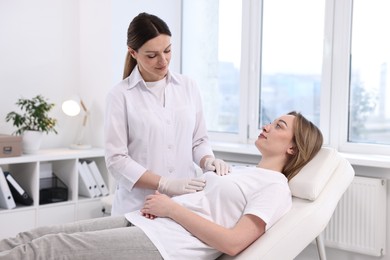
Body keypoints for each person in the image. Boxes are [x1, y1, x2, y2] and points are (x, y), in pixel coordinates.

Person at [0, 111, 323, 260]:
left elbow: (234, 243)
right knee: (36, 236)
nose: (267, 125)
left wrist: (171, 208)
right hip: (149, 221)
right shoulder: (241, 171)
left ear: (292, 148)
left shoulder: (276, 188)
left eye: (278, 125)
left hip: (168, 244)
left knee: (46, 250)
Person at [104, 12, 230, 215]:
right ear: (133, 53)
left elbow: (198, 141)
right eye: (152, 55)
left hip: (184, 205)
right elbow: (116, 160)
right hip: (138, 208)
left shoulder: (188, 86)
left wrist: (208, 161)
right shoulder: (120, 96)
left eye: (167, 50)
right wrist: (164, 183)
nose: (163, 61)